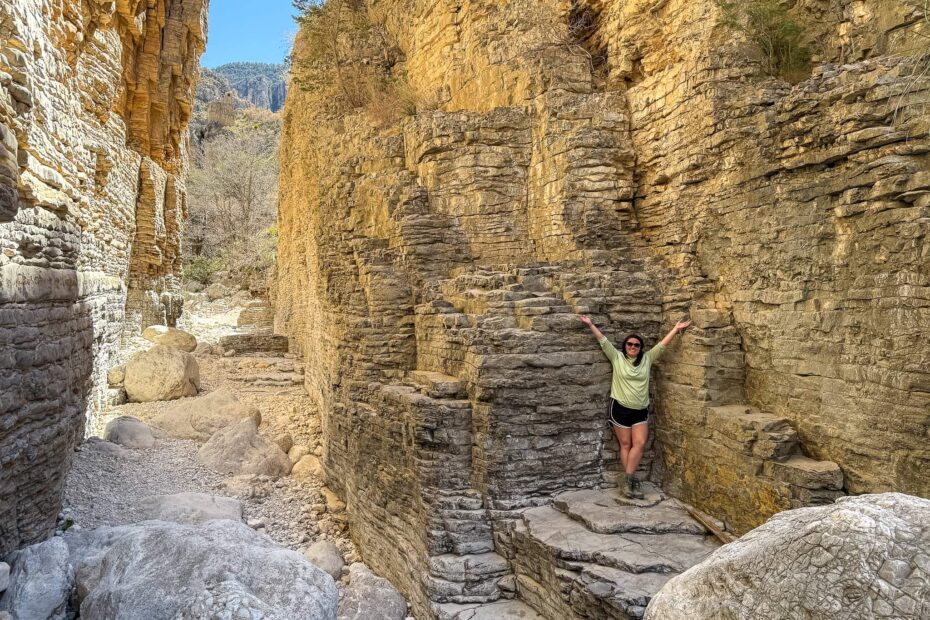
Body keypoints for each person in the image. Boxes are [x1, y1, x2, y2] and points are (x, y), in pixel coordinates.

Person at [578, 315, 692, 498]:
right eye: (629, 344)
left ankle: (627, 478)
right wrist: (591, 324)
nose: (632, 347)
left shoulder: (647, 359)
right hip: (620, 408)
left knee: (639, 444)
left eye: (636, 345)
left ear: (640, 348)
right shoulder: (617, 358)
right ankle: (630, 483)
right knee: (625, 444)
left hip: (640, 409)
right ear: (625, 346)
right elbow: (603, 341)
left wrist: (676, 329)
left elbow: (662, 345)